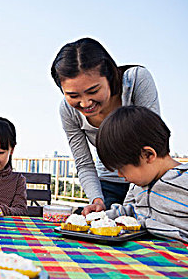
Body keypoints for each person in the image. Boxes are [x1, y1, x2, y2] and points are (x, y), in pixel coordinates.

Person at [51, 37, 160, 212]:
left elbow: (153, 142)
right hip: (109, 182)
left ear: (109, 76)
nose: (85, 103)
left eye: (93, 91)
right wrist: (97, 200)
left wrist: (128, 206)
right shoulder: (68, 110)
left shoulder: (136, 80)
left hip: (148, 180)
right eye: (73, 95)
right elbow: (84, 163)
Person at [93, 106, 188, 254]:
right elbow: (131, 213)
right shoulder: (138, 186)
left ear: (148, 155)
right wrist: (97, 217)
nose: (120, 174)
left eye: (122, 168)